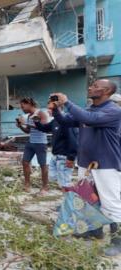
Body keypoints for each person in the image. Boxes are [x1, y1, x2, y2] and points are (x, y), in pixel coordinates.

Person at [50, 79, 121, 255]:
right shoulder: (88, 109)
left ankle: (117, 241)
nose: (91, 87)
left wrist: (66, 102)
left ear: (107, 91)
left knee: (111, 203)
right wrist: (56, 110)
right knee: (89, 199)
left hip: (106, 164)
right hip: (85, 164)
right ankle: (94, 231)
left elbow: (90, 119)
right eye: (91, 85)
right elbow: (67, 122)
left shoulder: (114, 111)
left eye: (96, 86)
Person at [33, 102, 78, 189]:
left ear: (59, 109)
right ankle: (67, 198)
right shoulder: (55, 121)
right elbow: (45, 128)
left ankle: (69, 200)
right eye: (48, 108)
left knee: (65, 184)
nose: (48, 111)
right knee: (55, 179)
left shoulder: (66, 121)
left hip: (64, 157)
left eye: (50, 109)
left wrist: (71, 158)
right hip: (55, 156)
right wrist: (37, 121)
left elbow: (73, 140)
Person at [16, 97, 50, 195]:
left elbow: (43, 128)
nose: (22, 108)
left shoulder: (41, 113)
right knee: (25, 162)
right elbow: (28, 131)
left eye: (23, 106)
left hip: (41, 143)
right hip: (31, 142)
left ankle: (45, 187)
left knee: (43, 165)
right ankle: (27, 184)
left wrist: (25, 123)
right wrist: (21, 126)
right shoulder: (29, 116)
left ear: (30, 103)